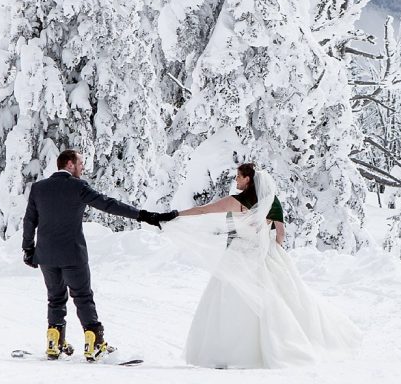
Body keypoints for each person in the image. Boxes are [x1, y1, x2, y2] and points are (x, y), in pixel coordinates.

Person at [173, 162, 360, 369]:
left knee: (227, 301)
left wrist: (175, 215)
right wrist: (270, 249)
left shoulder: (235, 202)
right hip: (262, 256)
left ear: (248, 179)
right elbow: (280, 234)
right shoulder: (272, 202)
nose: (236, 180)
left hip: (237, 256)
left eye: (238, 176)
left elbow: (203, 211)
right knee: (279, 299)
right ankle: (279, 344)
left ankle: (225, 352)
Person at [21, 149, 176, 361]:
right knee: (83, 297)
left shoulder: (39, 188)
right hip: (73, 254)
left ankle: (54, 342)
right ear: (69, 164)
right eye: (80, 163)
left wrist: (28, 249)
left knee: (55, 299)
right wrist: (143, 216)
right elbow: (109, 204)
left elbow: (30, 220)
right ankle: (94, 343)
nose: (83, 167)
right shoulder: (78, 187)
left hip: (46, 255)